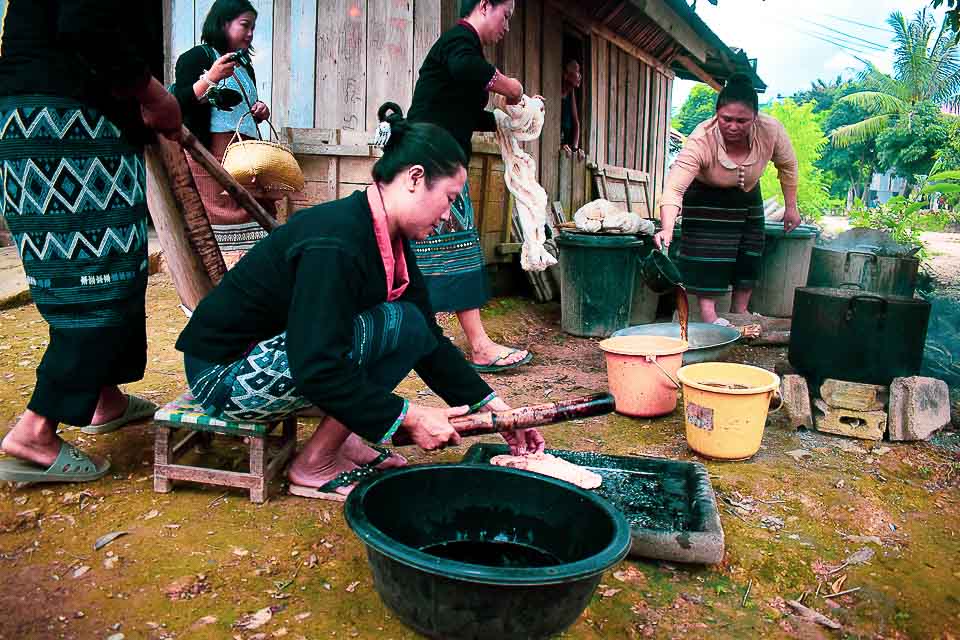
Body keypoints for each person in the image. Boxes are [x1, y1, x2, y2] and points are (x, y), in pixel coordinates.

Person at [175, 103, 545, 501]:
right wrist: (406, 415)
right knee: (397, 324)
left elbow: (428, 341)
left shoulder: (389, 236)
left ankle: (343, 439)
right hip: (227, 377)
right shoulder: (336, 243)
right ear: (415, 179)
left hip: (278, 352)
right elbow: (316, 365)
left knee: (408, 325)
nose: (448, 216)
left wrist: (495, 409)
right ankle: (314, 463)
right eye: (449, 198)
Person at [0, 1, 182, 483]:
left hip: (80, 117)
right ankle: (35, 430)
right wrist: (153, 94)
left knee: (122, 263)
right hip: (63, 121)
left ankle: (103, 397)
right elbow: (87, 18)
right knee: (94, 277)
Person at [407, 0, 535, 373]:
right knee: (457, 243)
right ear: (483, 5)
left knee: (423, 251)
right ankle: (479, 347)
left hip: (433, 160)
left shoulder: (464, 51)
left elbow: (457, 110)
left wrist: (509, 118)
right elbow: (468, 68)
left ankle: (421, 337)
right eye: (506, 15)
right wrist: (510, 86)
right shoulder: (459, 41)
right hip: (429, 163)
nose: (507, 26)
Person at [654, 73, 800, 325]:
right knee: (709, 252)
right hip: (705, 193)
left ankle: (738, 313)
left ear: (755, 117)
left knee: (751, 248)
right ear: (716, 115)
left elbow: (787, 166)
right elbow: (674, 189)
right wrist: (666, 228)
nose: (733, 126)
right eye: (727, 119)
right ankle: (710, 318)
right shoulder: (702, 139)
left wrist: (791, 207)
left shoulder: (771, 131)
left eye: (742, 120)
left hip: (748, 191)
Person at [172, 0, 278, 264]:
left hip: (246, 157)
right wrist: (211, 78)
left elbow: (240, 109)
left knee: (257, 216)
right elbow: (179, 103)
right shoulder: (196, 58)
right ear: (222, 23)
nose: (251, 33)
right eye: (245, 25)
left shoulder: (245, 66)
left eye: (253, 27)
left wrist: (260, 111)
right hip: (211, 157)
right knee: (220, 225)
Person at [560, 59, 584, 158]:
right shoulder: (555, 91)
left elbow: (576, 122)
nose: (579, 76)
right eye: (576, 71)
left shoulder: (570, 93)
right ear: (566, 75)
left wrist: (575, 147)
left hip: (566, 141)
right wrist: (560, 145)